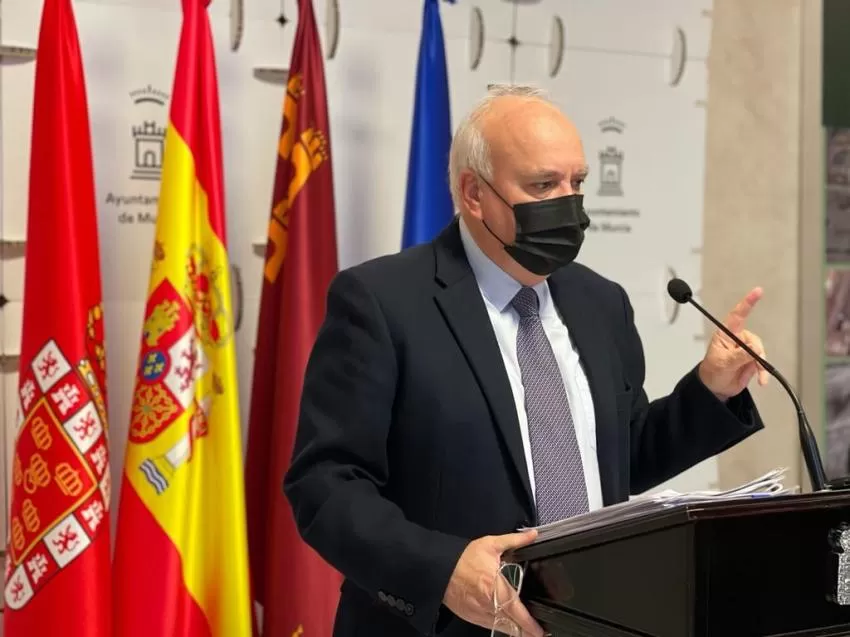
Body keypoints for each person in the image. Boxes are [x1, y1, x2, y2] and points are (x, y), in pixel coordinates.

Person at [283, 84, 768, 637]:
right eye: (543, 185)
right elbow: (325, 485)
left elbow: (620, 456)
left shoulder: (600, 302)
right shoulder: (382, 302)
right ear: (474, 193)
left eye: (577, 182)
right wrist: (442, 571)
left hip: (594, 620)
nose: (570, 203)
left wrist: (711, 390)